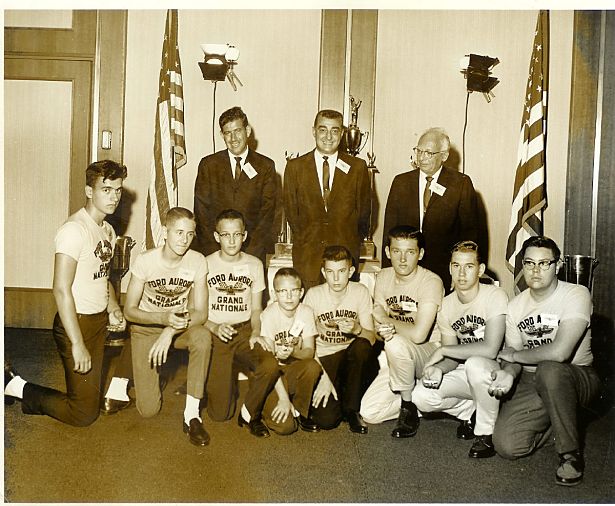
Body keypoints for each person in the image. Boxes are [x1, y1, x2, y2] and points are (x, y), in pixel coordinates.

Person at [4, 160, 127, 426]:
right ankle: (15, 386)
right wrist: (78, 344)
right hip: (76, 324)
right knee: (82, 415)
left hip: (98, 322)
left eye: (118, 190)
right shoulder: (74, 230)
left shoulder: (108, 229)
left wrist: (113, 307)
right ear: (89, 191)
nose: (114, 197)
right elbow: (60, 289)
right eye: (106, 189)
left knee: (88, 403)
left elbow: (102, 276)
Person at [490, 236, 602, 486]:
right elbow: (512, 356)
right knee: (508, 446)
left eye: (544, 263)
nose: (536, 270)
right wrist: (509, 371)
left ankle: (569, 455)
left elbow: (560, 353)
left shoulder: (576, 293)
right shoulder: (516, 305)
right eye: (529, 263)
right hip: (533, 378)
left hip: (576, 375)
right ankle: (561, 418)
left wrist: (514, 357)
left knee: (551, 370)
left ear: (558, 264)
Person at [122, 207, 211, 446]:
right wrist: (163, 320)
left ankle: (191, 414)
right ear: (165, 232)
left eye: (190, 234)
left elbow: (201, 313)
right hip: (147, 326)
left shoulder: (197, 260)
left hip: (179, 326)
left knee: (202, 337)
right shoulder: (146, 261)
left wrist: (170, 330)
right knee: (148, 410)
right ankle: (133, 374)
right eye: (179, 232)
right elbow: (129, 310)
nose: (184, 240)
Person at [412, 241, 507, 458]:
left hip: (496, 371)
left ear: (480, 269)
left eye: (469, 266)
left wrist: (444, 352)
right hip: (467, 372)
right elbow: (452, 354)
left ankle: (485, 434)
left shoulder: (494, 295)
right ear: (450, 268)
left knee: (475, 364)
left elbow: (491, 349)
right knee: (421, 396)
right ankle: (471, 412)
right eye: (456, 266)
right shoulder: (446, 305)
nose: (461, 273)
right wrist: (440, 369)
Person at [360, 226, 443, 437]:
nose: (403, 259)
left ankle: (408, 407)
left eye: (410, 252)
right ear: (388, 252)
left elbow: (418, 335)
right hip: (399, 356)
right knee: (370, 413)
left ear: (421, 254)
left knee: (395, 343)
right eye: (397, 251)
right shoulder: (383, 276)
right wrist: (383, 331)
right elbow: (378, 329)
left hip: (430, 354)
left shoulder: (431, 281)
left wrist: (386, 321)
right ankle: (420, 399)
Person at [204, 209, 280, 438]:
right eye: (225, 235)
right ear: (217, 236)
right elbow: (196, 310)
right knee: (219, 414)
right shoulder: (205, 264)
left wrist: (256, 332)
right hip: (216, 332)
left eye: (236, 234)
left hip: (245, 330)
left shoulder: (254, 264)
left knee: (270, 364)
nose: (231, 240)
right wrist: (214, 327)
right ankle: (214, 380)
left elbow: (257, 308)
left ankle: (249, 413)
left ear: (244, 235)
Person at [382, 127, 479, 292]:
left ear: (444, 156)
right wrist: (387, 271)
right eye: (419, 151)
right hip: (405, 268)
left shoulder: (460, 183)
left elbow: (469, 234)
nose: (422, 157)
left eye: (428, 153)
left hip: (443, 270)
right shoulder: (401, 182)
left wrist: (460, 275)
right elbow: (389, 231)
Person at [283, 109, 371, 289]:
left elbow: (364, 215)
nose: (328, 136)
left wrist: (348, 240)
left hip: (344, 259)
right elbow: (292, 214)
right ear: (314, 131)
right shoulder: (295, 168)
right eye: (323, 130)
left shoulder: (357, 168)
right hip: (308, 258)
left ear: (342, 133)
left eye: (335, 130)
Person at [303, 245, 375, 434]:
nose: (336, 278)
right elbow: (305, 342)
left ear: (350, 271)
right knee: (326, 420)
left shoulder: (360, 291)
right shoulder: (313, 295)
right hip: (323, 358)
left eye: (341, 271)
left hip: (350, 359)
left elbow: (372, 337)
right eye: (330, 272)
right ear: (323, 272)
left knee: (362, 346)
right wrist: (325, 376)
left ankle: (352, 410)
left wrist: (357, 329)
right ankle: (341, 396)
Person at [193, 106, 276, 265]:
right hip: (215, 252)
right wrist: (214, 252)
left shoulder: (266, 166)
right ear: (221, 135)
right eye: (227, 133)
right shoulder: (208, 165)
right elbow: (201, 212)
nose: (233, 138)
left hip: (252, 252)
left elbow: (267, 214)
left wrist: (251, 253)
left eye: (237, 131)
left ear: (248, 131)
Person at [255, 268, 322, 435]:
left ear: (301, 292)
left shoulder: (305, 311)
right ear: (274, 293)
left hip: (291, 371)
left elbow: (308, 352)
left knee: (312, 366)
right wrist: (284, 400)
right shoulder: (269, 314)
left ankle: (301, 410)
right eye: (283, 291)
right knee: (286, 428)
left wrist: (293, 352)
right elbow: (268, 362)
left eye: (294, 291)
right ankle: (265, 404)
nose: (289, 296)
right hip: (271, 376)